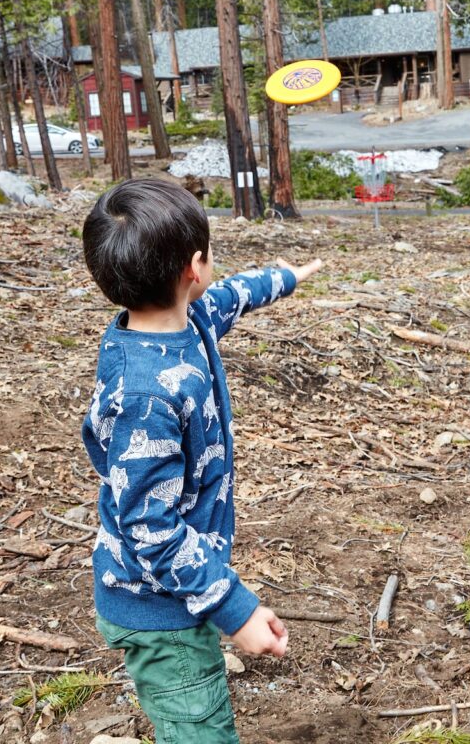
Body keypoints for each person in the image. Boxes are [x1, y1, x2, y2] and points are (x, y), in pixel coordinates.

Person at [80, 178, 323, 743]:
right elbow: (149, 525)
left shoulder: (186, 320)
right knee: (201, 730)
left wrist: (284, 278)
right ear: (194, 266)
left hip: (178, 586)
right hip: (155, 604)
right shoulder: (149, 396)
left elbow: (231, 296)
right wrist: (235, 610)